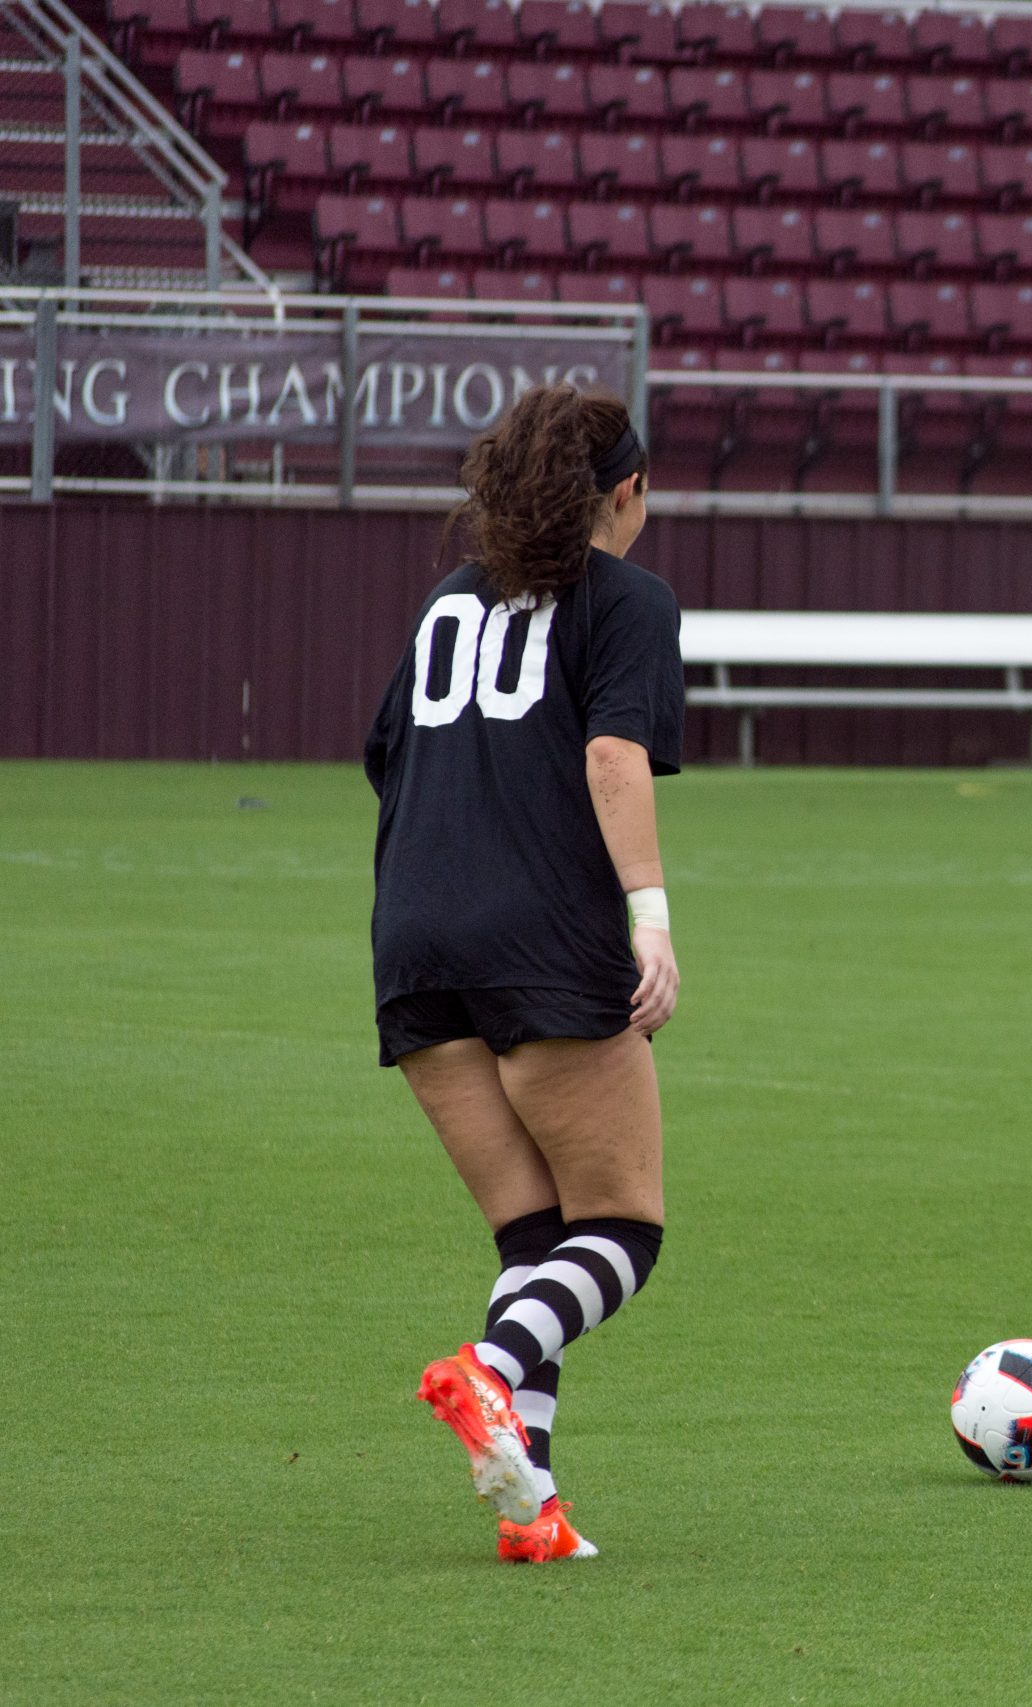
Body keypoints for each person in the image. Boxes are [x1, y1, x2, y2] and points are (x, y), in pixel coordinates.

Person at [364, 386, 683, 1564]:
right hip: (544, 938)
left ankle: (527, 1509)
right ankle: (486, 1369)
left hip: (413, 934)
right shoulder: (631, 601)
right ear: (628, 494)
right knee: (620, 1230)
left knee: (537, 1239)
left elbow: (383, 757)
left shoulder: (448, 601)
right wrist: (647, 920)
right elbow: (614, 752)